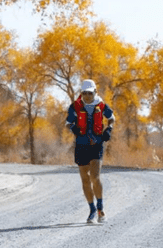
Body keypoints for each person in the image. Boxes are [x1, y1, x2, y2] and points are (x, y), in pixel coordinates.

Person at [65, 79, 115, 223]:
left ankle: (100, 209)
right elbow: (68, 123)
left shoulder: (101, 105)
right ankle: (92, 209)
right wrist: (73, 128)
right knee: (85, 179)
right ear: (81, 93)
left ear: (95, 92)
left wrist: (109, 129)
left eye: (90, 93)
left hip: (97, 144)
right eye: (84, 93)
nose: (87, 96)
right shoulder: (75, 106)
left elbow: (112, 118)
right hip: (81, 145)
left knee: (95, 176)